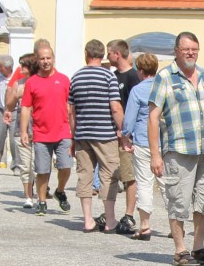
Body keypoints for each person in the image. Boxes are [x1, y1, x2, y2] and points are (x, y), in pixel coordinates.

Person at [148, 31, 204, 266]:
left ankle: (198, 247)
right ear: (177, 51)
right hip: (179, 150)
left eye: (194, 49)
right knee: (179, 201)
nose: (191, 53)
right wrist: (155, 154)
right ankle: (180, 249)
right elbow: (153, 117)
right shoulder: (165, 76)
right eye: (186, 49)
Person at [68, 39, 124, 233]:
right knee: (109, 174)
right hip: (105, 133)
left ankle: (87, 220)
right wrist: (123, 130)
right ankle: (110, 220)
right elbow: (115, 107)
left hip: (83, 133)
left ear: (86, 54)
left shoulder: (76, 77)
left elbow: (72, 112)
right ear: (102, 55)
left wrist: (73, 137)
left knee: (85, 175)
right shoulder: (108, 76)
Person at [19, 44, 72, 215]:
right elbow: (26, 107)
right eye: (42, 58)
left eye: (48, 58)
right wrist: (23, 131)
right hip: (41, 132)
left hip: (63, 130)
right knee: (42, 170)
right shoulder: (32, 82)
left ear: (53, 58)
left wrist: (73, 129)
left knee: (66, 166)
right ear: (37, 60)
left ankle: (60, 191)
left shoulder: (64, 80)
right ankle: (42, 201)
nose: (46, 61)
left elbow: (70, 105)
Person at [120, 53, 160, 241]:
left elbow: (129, 119)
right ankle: (176, 225)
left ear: (140, 71)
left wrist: (125, 135)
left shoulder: (137, 90)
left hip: (143, 140)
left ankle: (145, 225)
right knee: (168, 184)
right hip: (163, 141)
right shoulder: (163, 87)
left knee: (144, 182)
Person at [107, 39, 140, 233]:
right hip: (112, 134)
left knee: (129, 176)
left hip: (127, 135)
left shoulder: (132, 77)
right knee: (111, 175)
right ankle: (109, 213)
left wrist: (127, 131)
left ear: (117, 54)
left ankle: (129, 214)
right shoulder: (112, 76)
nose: (107, 56)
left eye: (109, 53)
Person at [6, 50, 37, 204]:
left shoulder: (39, 81)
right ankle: (28, 197)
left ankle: (39, 191)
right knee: (25, 164)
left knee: (36, 164)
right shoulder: (18, 83)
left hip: (38, 126)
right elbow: (9, 106)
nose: (21, 68)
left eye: (23, 66)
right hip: (21, 126)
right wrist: (16, 95)